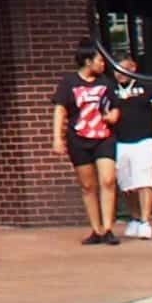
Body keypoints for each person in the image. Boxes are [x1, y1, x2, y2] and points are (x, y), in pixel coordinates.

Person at [53, 44, 119, 244]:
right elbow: (60, 110)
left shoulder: (106, 83)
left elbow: (115, 108)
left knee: (107, 179)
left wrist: (113, 117)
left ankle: (108, 228)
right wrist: (57, 137)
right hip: (79, 137)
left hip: (103, 135)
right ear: (88, 61)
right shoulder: (69, 82)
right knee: (88, 185)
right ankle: (96, 229)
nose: (102, 64)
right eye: (99, 60)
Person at [110, 60, 152, 238]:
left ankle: (145, 221)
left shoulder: (146, 85)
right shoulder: (110, 88)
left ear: (133, 68)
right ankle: (134, 217)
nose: (119, 74)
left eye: (123, 69)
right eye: (116, 70)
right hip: (120, 142)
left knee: (144, 181)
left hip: (144, 140)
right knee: (126, 184)